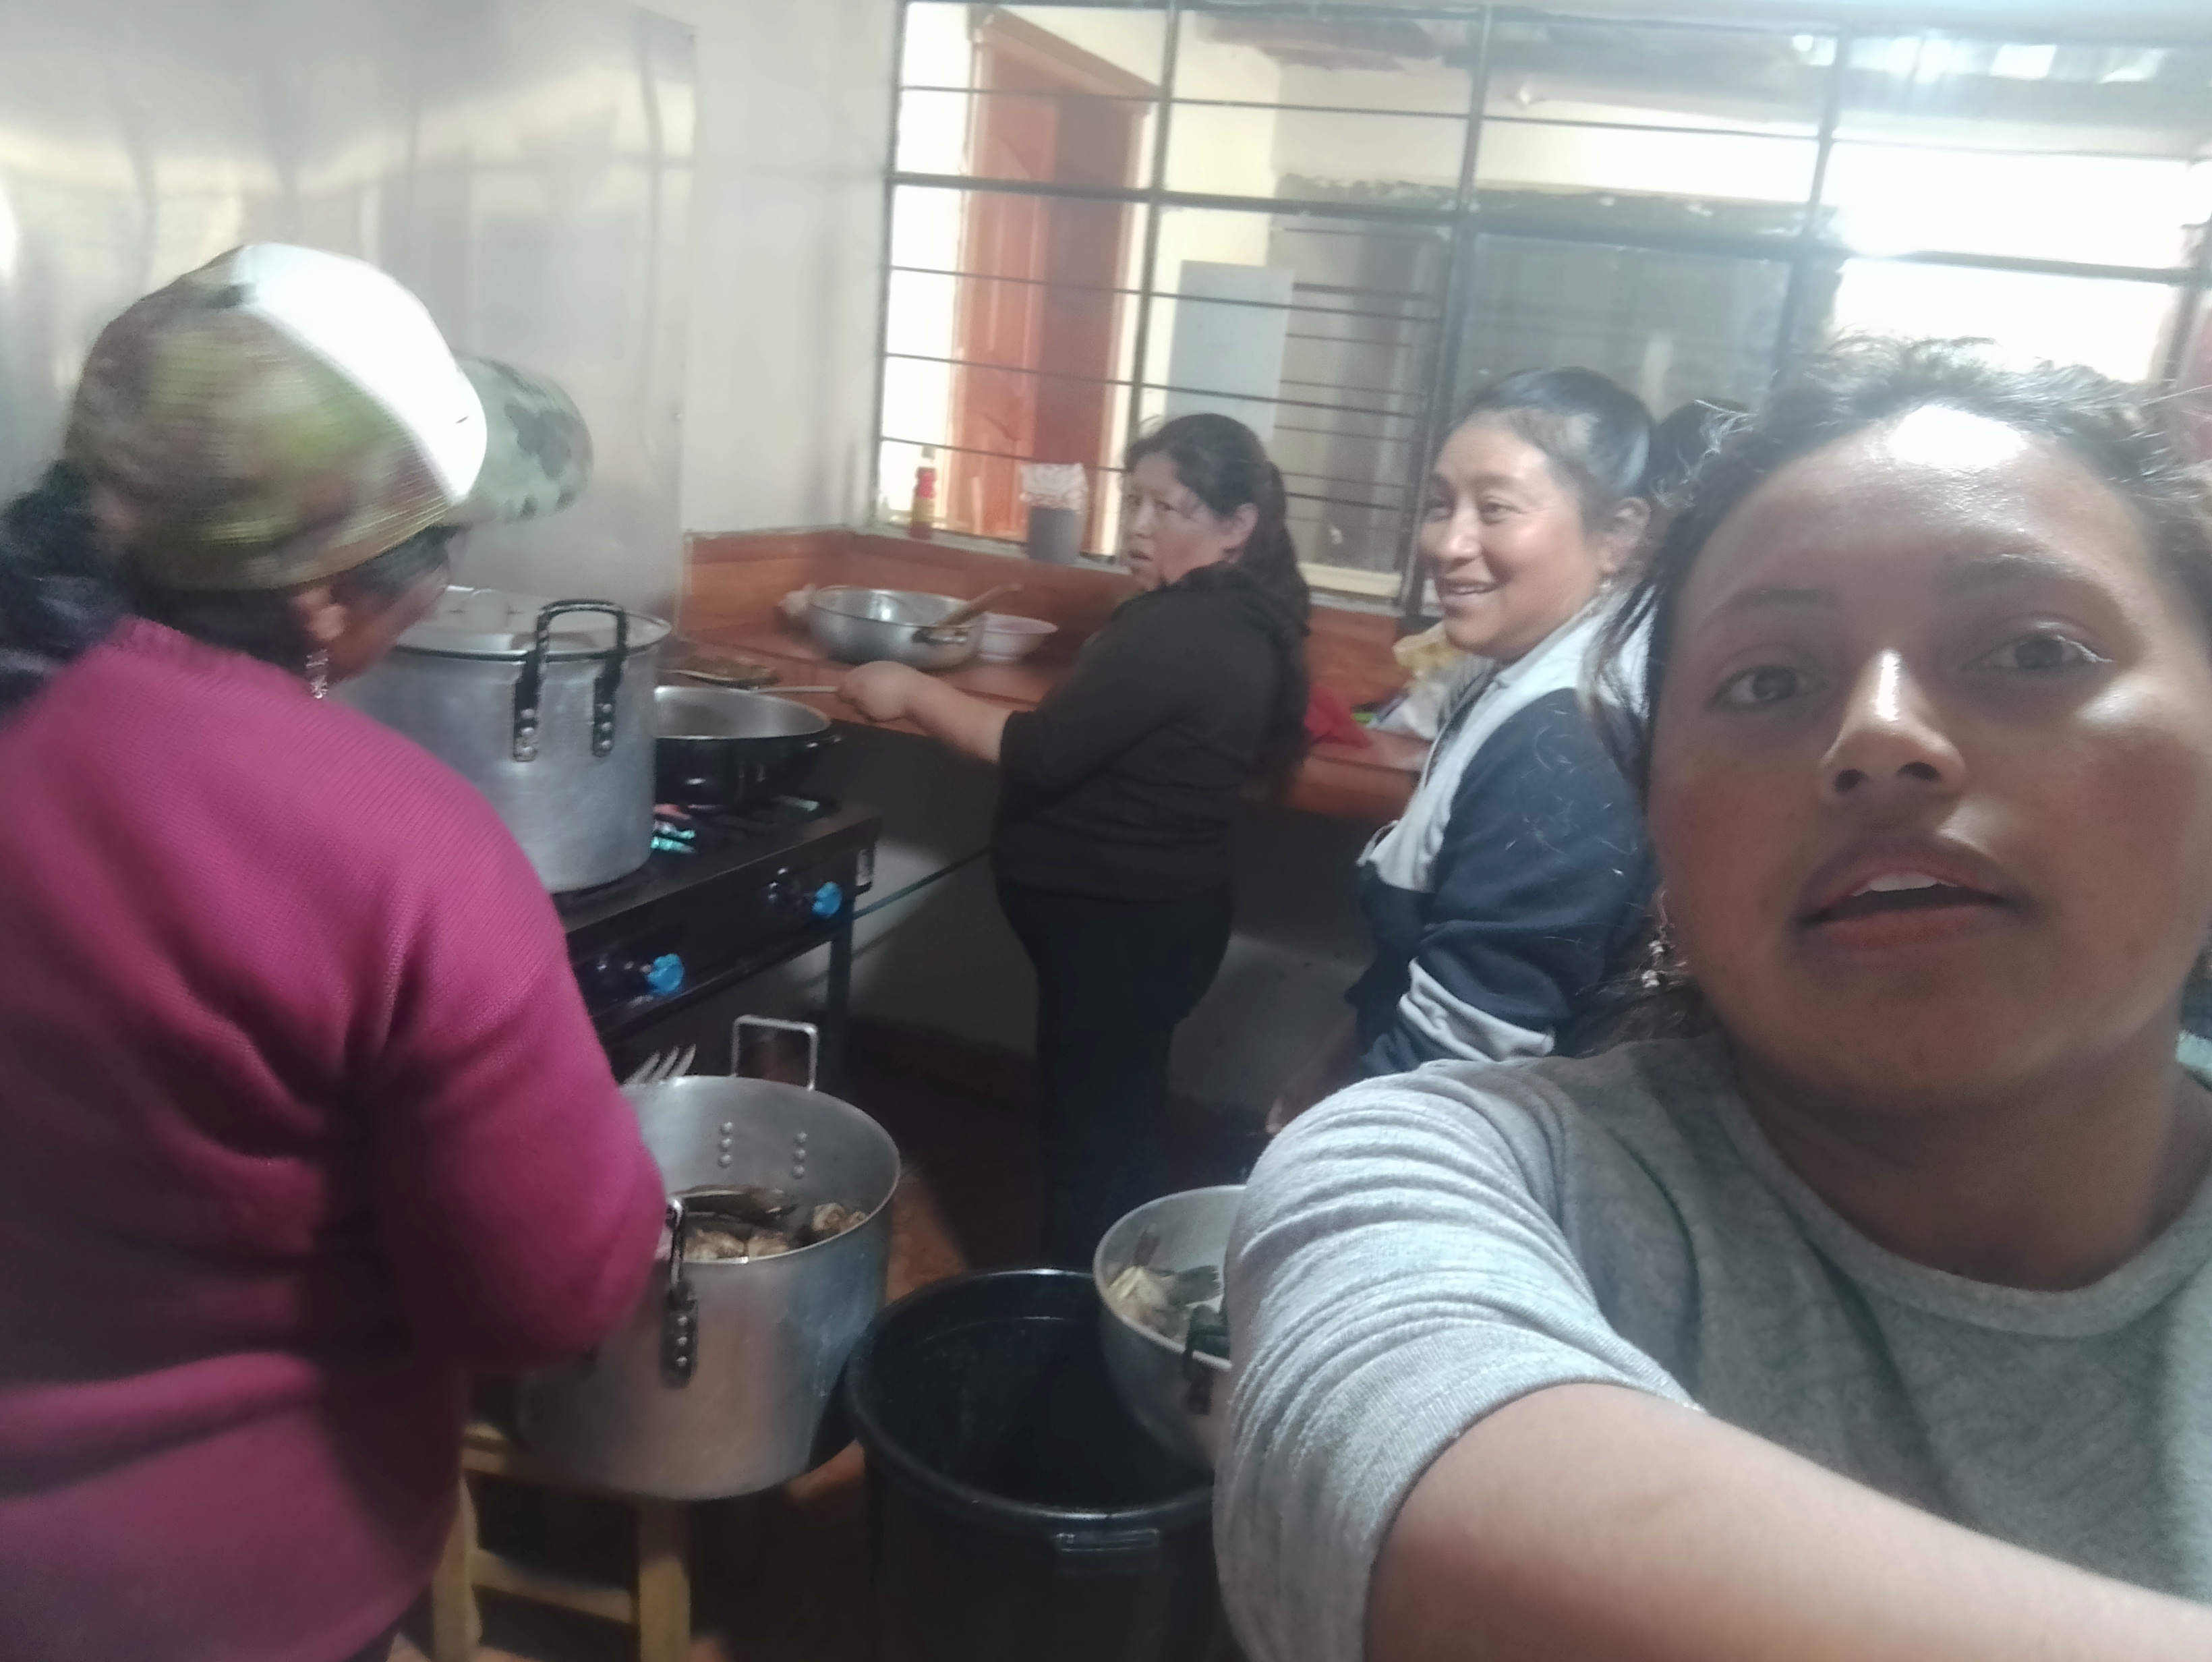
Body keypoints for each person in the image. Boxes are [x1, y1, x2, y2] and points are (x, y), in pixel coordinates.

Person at [1220, 337, 2212, 1662]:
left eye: (2034, 649)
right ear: (1660, 817)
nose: (1880, 735)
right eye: (1765, 681)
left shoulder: (1541, 739)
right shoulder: (1481, 1178)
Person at [0, 245, 666, 1662]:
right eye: (442, 549)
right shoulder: (398, 851)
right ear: (321, 597)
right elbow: (542, 1294)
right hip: (220, 1590)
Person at [838, 412, 1309, 1267]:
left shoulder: (1179, 627)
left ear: (1236, 525)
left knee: (1091, 1143)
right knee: (1114, 1116)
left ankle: (1081, 1310)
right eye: (1135, 502)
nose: (1138, 527)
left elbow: (1039, 751)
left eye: (1168, 508)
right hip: (1156, 921)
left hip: (1120, 929)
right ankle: (1123, 1284)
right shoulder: (1240, 618)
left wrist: (909, 689)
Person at [1269, 368, 1656, 1129]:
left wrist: (1320, 1152)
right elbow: (1427, 965)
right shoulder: (1510, 671)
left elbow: (1459, 1065)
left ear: (1616, 534)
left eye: (1496, 509)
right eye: (1440, 505)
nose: (1447, 544)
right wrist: (1333, 1060)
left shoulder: (1570, 742)